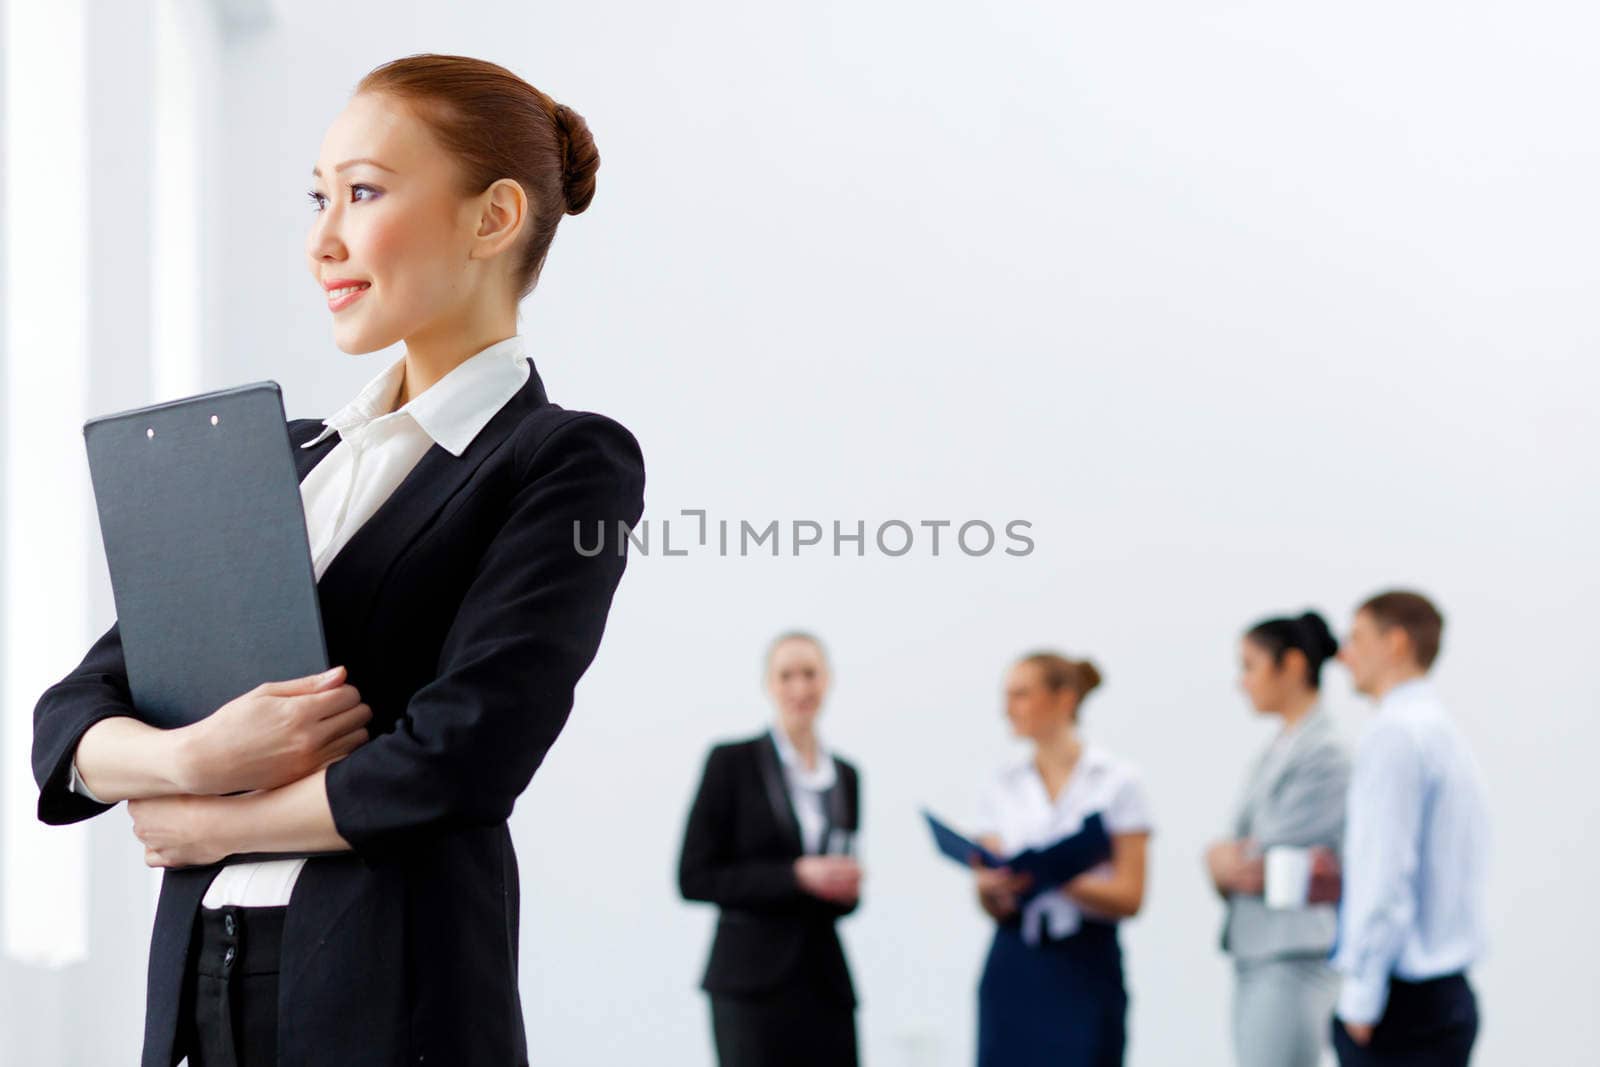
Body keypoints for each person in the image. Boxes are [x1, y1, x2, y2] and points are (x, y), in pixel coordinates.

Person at [31, 54, 645, 1067]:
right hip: (199, 991)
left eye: (361, 192)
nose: (322, 241)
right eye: (318, 198)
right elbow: (73, 712)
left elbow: (463, 753)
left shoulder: (562, 458)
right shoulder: (278, 454)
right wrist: (193, 759)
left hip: (390, 995)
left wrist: (217, 824)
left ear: (492, 218)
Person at [677, 631, 864, 1067]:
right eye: (787, 675)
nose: (800, 687)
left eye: (810, 674)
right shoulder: (731, 763)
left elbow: (841, 895)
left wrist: (845, 891)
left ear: (828, 680)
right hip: (749, 984)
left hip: (825, 982)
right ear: (769, 684)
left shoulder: (847, 776)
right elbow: (693, 877)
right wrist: (795, 875)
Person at [970, 651, 1151, 1067]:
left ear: (1064, 698)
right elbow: (988, 897)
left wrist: (1055, 876)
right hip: (1014, 960)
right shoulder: (1001, 783)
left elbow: (1132, 896)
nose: (1007, 709)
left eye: (1021, 695)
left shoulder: (1117, 781)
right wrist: (991, 888)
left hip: (1086, 963)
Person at [1330, 590, 1488, 1066]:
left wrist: (1361, 996)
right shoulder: (1442, 733)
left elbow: (1385, 876)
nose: (1343, 654)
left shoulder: (1394, 735)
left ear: (1395, 643)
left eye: (1356, 638)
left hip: (1402, 1009)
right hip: (1444, 996)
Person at [1206, 611, 1350, 1067]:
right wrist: (1221, 858)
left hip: (1293, 954)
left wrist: (1225, 858)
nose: (1241, 682)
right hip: (1258, 950)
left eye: (1249, 666)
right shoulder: (1279, 746)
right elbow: (1240, 856)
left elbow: (1257, 858)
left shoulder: (1326, 751)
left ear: (1290, 665)